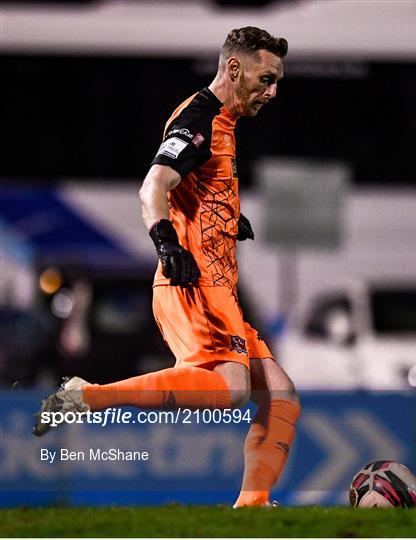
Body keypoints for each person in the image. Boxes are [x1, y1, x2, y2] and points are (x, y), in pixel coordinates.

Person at [33, 26, 301, 508]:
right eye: (266, 78)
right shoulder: (200, 116)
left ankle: (252, 506)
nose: (273, 92)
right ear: (234, 68)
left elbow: (194, 187)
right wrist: (165, 243)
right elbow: (153, 186)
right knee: (233, 390)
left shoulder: (224, 122)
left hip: (219, 286)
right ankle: (87, 397)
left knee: (279, 392)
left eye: (278, 81)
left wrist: (226, 217)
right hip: (194, 282)